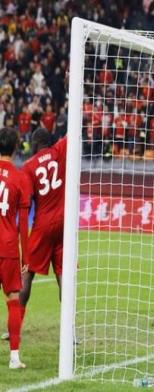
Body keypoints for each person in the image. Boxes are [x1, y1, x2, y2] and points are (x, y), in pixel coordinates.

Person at [20, 128, 67, 314]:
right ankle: (68, 326)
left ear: (35, 144)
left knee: (27, 272)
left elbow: (27, 200)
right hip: (64, 223)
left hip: (43, 224)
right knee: (63, 274)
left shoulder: (28, 166)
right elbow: (71, 135)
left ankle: (15, 323)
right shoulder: (60, 150)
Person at [0, 127, 30, 368]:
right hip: (8, 246)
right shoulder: (20, 179)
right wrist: (25, 257)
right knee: (13, 300)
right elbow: (23, 223)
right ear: (16, 148)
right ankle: (14, 358)